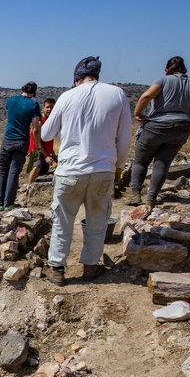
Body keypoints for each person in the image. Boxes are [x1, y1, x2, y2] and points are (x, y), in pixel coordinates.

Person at [41, 56, 131, 285]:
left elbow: (46, 135)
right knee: (97, 221)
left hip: (70, 170)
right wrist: (118, 168)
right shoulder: (117, 94)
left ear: (76, 78)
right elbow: (124, 139)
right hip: (103, 170)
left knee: (63, 221)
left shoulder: (67, 96)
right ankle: (90, 267)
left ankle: (57, 270)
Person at [127, 56, 190, 206]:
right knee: (162, 164)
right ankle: (151, 198)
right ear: (184, 70)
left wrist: (137, 114)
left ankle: (136, 195)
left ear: (167, 70)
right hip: (182, 127)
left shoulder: (163, 80)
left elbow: (146, 96)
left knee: (141, 161)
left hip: (157, 126)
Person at [0, 82, 44, 210]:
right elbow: (35, 129)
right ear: (33, 93)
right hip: (22, 140)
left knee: (2, 171)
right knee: (14, 171)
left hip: (7, 139)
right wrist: (37, 147)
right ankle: (9, 204)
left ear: (22, 89)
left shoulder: (10, 100)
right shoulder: (33, 104)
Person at [27, 97, 58, 187]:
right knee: (37, 166)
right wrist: (46, 156)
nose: (49, 109)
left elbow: (48, 140)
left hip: (46, 152)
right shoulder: (39, 122)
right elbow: (37, 141)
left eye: (52, 107)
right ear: (43, 108)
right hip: (35, 150)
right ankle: (28, 189)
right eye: (47, 107)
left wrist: (52, 152)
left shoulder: (51, 122)